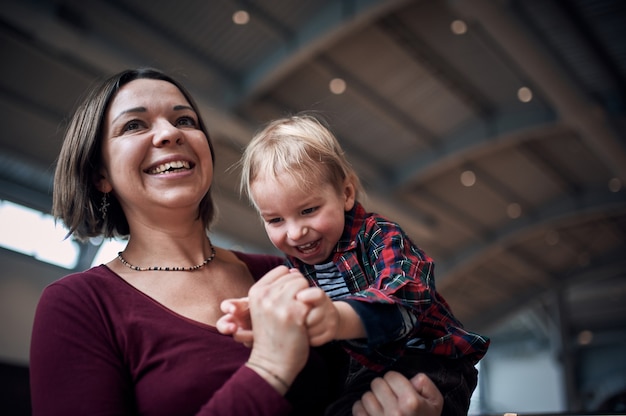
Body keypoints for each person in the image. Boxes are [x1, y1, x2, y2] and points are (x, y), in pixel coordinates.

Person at [29, 67, 444, 416]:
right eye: (134, 125)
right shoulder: (79, 305)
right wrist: (267, 368)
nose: (169, 134)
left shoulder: (290, 273)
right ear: (100, 174)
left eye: (185, 120)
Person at [219, 114, 490, 415]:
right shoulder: (297, 268)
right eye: (275, 219)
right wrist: (261, 318)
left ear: (346, 194)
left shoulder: (379, 236)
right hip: (370, 370)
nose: (295, 233)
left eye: (309, 210)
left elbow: (405, 305)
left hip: (432, 362)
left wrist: (333, 318)